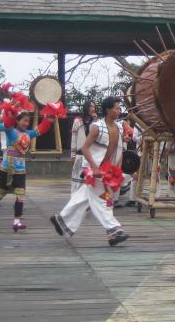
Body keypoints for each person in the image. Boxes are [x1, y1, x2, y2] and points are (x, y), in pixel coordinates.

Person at [50, 97, 129, 246]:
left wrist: (117, 169)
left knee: (86, 197)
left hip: (108, 170)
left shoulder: (118, 127)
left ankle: (61, 220)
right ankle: (113, 230)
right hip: (95, 170)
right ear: (108, 110)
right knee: (102, 199)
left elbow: (118, 150)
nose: (119, 110)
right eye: (117, 108)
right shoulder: (97, 127)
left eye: (119, 108)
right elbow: (85, 148)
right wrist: (94, 167)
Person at [0, 110, 53, 232]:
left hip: (20, 169)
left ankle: (17, 221)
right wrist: (10, 113)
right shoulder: (10, 131)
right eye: (24, 120)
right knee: (1, 193)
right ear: (17, 120)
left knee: (20, 194)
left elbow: (40, 130)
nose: (26, 123)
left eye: (28, 121)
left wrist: (48, 119)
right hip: (7, 168)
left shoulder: (28, 134)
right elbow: (6, 123)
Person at [70, 100, 98, 194]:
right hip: (80, 155)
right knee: (77, 182)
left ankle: (88, 203)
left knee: (90, 182)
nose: (92, 109)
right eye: (90, 106)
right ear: (86, 108)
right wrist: (73, 155)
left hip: (91, 156)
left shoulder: (97, 123)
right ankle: (74, 202)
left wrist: (94, 121)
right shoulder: (77, 122)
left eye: (94, 107)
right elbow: (74, 139)